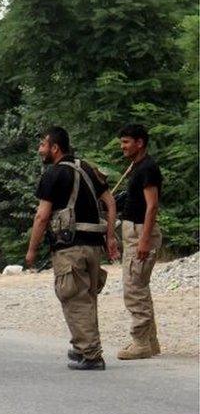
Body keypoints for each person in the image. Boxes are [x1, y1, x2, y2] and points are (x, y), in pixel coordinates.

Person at [25, 127, 120, 370]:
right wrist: (110, 237)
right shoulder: (88, 168)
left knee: (74, 298)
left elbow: (42, 217)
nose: (40, 150)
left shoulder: (53, 175)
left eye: (43, 145)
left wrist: (32, 250)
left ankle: (91, 355)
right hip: (93, 246)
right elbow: (110, 203)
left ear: (55, 148)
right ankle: (83, 347)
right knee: (87, 298)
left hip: (69, 248)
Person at [115, 124, 163, 360]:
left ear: (139, 143)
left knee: (134, 288)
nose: (122, 146)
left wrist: (144, 240)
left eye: (126, 142)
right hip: (133, 231)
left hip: (141, 232)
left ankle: (140, 342)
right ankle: (150, 342)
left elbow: (152, 206)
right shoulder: (137, 167)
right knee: (139, 286)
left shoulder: (148, 168)